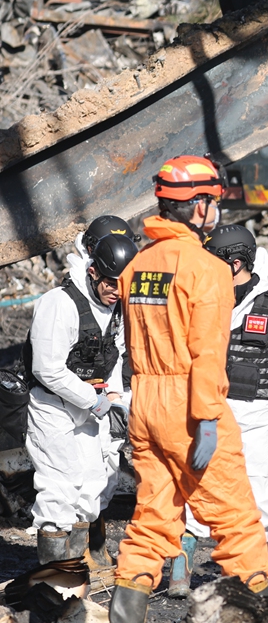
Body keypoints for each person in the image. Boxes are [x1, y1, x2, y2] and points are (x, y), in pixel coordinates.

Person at [109, 155, 268, 623]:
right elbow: (206, 353)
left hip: (146, 404)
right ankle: (255, 622)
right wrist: (205, 418)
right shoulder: (207, 269)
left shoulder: (137, 267)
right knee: (236, 519)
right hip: (189, 405)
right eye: (212, 200)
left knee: (152, 518)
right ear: (195, 206)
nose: (216, 210)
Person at [166, 225, 268, 597]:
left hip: (257, 416)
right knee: (195, 486)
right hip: (208, 410)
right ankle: (181, 569)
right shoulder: (202, 301)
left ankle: (251, 576)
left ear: (235, 264)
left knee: (257, 490)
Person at [25, 233, 137, 569]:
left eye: (124, 284)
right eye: (111, 283)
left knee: (91, 488)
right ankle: (54, 581)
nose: (117, 291)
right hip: (54, 407)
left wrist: (116, 397)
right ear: (93, 273)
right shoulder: (60, 303)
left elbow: (115, 355)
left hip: (91, 406)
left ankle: (79, 573)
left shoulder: (114, 309)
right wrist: (95, 401)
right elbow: (46, 368)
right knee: (59, 490)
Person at [71, 215, 141, 568]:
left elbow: (117, 348)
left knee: (108, 469)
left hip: (112, 391)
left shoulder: (119, 293)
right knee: (81, 476)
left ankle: (93, 540)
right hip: (76, 397)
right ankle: (85, 548)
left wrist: (116, 395)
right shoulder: (75, 296)